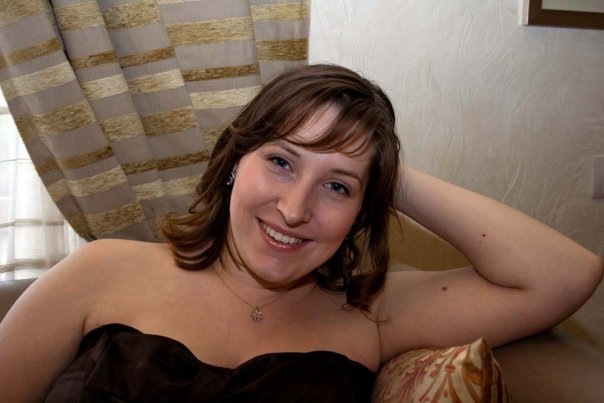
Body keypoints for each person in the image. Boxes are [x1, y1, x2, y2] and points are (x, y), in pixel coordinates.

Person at [0, 64, 601, 402]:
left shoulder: (371, 311)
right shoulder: (101, 270)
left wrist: (384, 169)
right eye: (281, 161)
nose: (293, 210)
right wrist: (345, 163)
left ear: (364, 210)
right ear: (235, 161)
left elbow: (564, 275)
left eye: (337, 187)